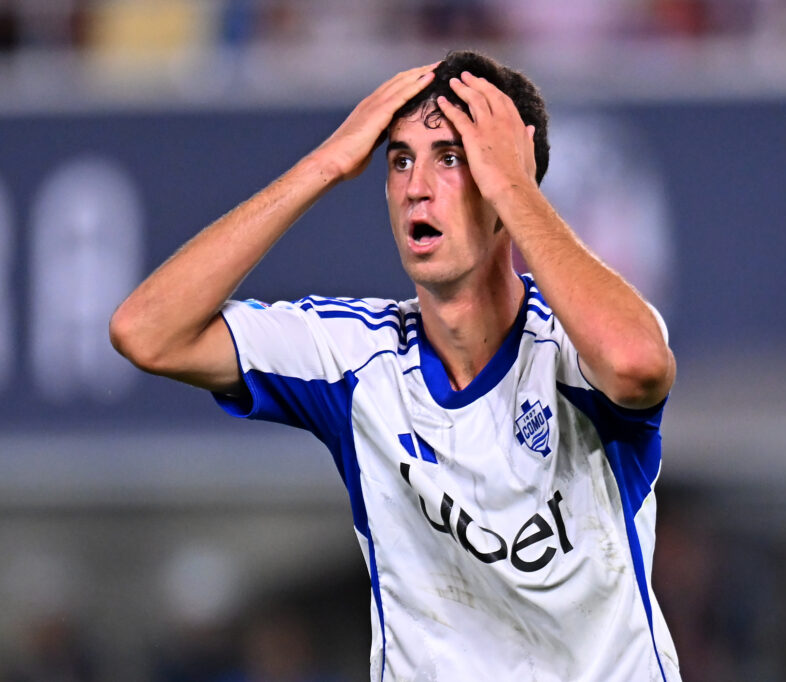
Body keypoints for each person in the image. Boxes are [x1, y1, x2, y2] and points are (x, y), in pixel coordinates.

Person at [110, 50, 681, 682]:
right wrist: (325, 165)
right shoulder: (355, 358)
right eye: (401, 160)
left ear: (503, 178)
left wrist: (516, 188)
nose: (416, 187)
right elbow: (147, 333)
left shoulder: (575, 350)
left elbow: (637, 365)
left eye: (451, 158)